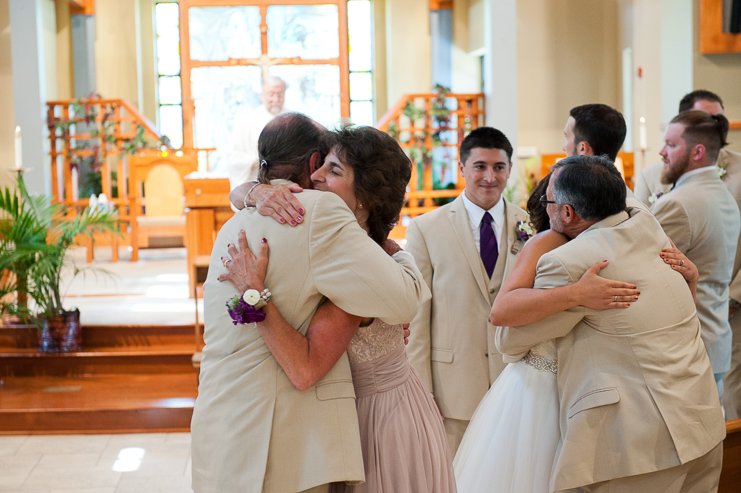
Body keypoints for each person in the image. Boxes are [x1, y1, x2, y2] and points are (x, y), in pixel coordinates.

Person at [190, 114, 429, 493]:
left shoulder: (235, 222)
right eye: (325, 166)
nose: (319, 180)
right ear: (313, 161)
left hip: (220, 424)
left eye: (336, 170)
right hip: (285, 439)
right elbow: (403, 301)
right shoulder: (319, 212)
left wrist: (248, 191)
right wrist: (396, 254)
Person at [496, 155, 725, 493]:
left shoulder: (570, 260)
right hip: (702, 424)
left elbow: (508, 341)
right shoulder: (650, 228)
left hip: (639, 449)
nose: (546, 209)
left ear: (568, 212)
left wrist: (573, 293)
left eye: (549, 201)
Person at [453, 174, 647, 492]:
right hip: (547, 388)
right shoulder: (565, 242)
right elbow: (503, 316)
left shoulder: (577, 244)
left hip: (582, 382)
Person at [403, 127, 529, 455]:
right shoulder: (426, 228)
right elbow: (417, 318)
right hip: (452, 388)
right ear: (461, 168)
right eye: (480, 166)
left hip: (513, 380)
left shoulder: (529, 224)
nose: (490, 177)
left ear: (509, 169)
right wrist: (423, 391)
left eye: (499, 167)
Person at [633, 89, 741, 417]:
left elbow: (644, 272)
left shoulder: (679, 203)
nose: (662, 153)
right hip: (717, 336)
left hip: (688, 347)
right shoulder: (721, 193)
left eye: (671, 144)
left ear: (696, 151)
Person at [226, 76, 288, 190]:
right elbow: (233, 157)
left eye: (280, 95)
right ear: (262, 95)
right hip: (257, 183)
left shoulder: (293, 120)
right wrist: (257, 161)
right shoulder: (247, 122)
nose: (275, 100)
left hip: (287, 182)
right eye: (271, 95)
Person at [562, 104, 627, 162]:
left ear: (582, 148)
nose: (564, 148)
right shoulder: (616, 175)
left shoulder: (559, 174)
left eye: (567, 137)